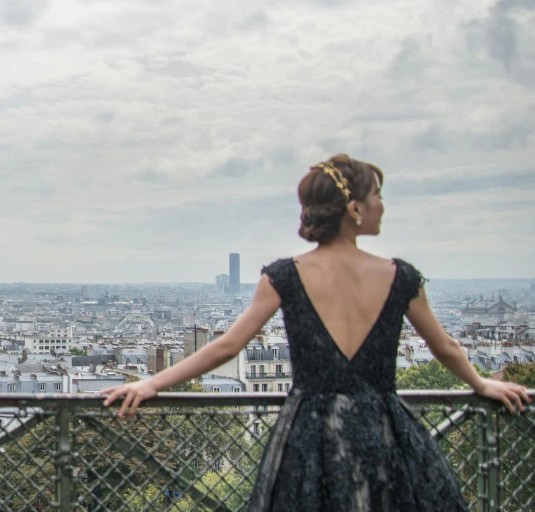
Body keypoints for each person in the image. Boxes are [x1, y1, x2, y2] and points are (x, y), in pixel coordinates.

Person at [102, 154, 530, 511]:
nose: (382, 205)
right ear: (355, 209)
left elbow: (228, 346)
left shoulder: (285, 276)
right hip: (383, 427)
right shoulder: (401, 277)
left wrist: (155, 382)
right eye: (377, 195)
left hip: (310, 431)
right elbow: (445, 347)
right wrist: (480, 383)